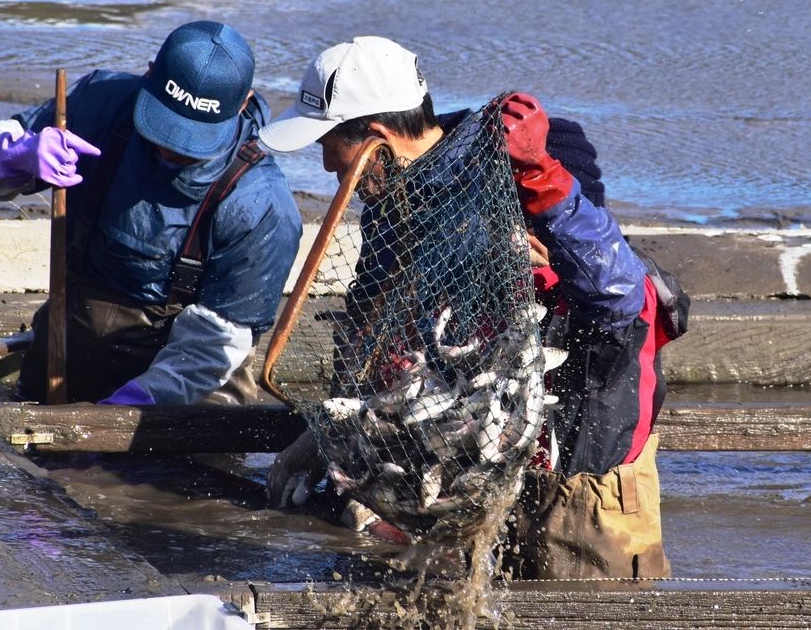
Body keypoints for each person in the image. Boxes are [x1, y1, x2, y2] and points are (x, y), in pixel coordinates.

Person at [259, 36, 688, 578]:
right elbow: (372, 344)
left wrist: (541, 182)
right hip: (469, 473)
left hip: (583, 478)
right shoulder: (388, 209)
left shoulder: (528, 158)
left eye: (327, 142)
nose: (324, 164)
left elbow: (619, 297)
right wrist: (329, 442)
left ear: (375, 137)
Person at [0, 21, 302, 406]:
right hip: (70, 336)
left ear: (243, 105)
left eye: (194, 140)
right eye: (164, 130)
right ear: (149, 73)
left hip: (193, 374)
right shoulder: (103, 104)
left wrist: (122, 416)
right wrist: (13, 154)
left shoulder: (260, 204)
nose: (173, 151)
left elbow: (214, 348)